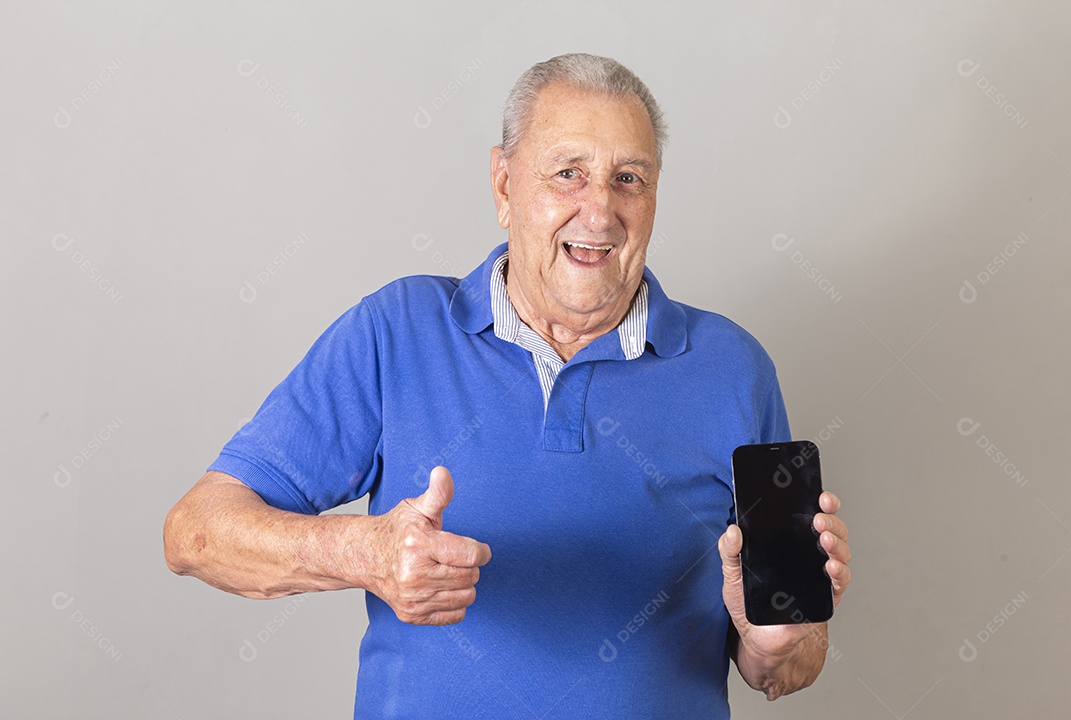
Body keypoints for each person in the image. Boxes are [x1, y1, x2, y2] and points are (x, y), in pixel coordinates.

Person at [164, 52, 851, 718]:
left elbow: (791, 662)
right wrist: (362, 552)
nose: (600, 211)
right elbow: (195, 534)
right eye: (568, 174)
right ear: (503, 186)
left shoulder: (734, 369)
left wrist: (777, 638)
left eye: (629, 179)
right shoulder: (395, 332)